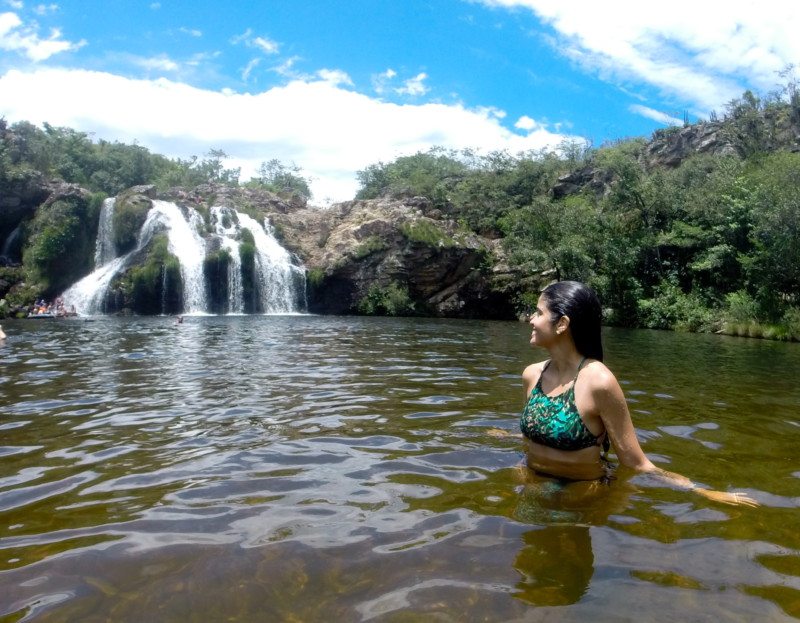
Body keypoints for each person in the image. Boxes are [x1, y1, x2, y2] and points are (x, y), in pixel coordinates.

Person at [520, 280, 757, 506]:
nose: (531, 319)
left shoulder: (598, 382)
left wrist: (699, 490)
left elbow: (636, 462)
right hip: (532, 483)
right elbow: (534, 438)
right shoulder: (532, 375)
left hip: (580, 495)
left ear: (562, 324)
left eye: (539, 313)